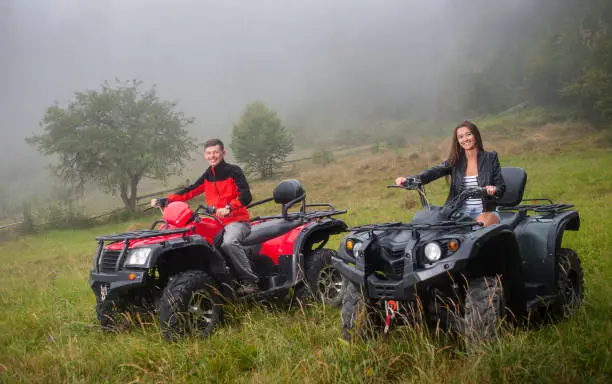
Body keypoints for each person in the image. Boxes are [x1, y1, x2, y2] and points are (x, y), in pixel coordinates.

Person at [151, 138, 259, 295]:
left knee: (229, 243)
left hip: (236, 220)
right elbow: (191, 190)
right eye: (209, 153)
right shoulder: (209, 175)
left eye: (215, 152)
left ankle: (250, 281)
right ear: (204, 155)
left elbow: (246, 196)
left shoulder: (234, 171)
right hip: (215, 222)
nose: (212, 156)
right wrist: (166, 200)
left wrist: (229, 208)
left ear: (223, 152)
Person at [395, 120, 506, 227]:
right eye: (461, 137)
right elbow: (434, 172)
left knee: (481, 225)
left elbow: (501, 187)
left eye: (468, 134)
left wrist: (493, 189)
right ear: (457, 141)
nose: (465, 139)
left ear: (475, 135)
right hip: (459, 213)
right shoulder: (455, 161)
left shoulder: (490, 158)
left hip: (485, 212)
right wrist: (410, 180)